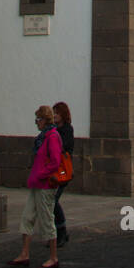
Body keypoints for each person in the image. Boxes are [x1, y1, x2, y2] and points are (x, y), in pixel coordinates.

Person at [10, 104, 63, 268]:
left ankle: (53, 258)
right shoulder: (42, 137)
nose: (36, 123)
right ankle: (24, 254)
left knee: (47, 220)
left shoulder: (53, 137)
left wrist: (40, 174)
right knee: (27, 217)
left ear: (45, 120)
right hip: (36, 184)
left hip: (46, 185)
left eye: (38, 119)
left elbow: (55, 161)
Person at [52, 101, 74, 247]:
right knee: (50, 202)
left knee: (52, 201)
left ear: (63, 114)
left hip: (62, 171)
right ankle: (56, 234)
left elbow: (65, 146)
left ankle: (62, 231)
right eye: (53, 112)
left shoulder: (67, 129)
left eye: (56, 113)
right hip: (52, 170)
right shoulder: (53, 129)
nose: (54, 115)